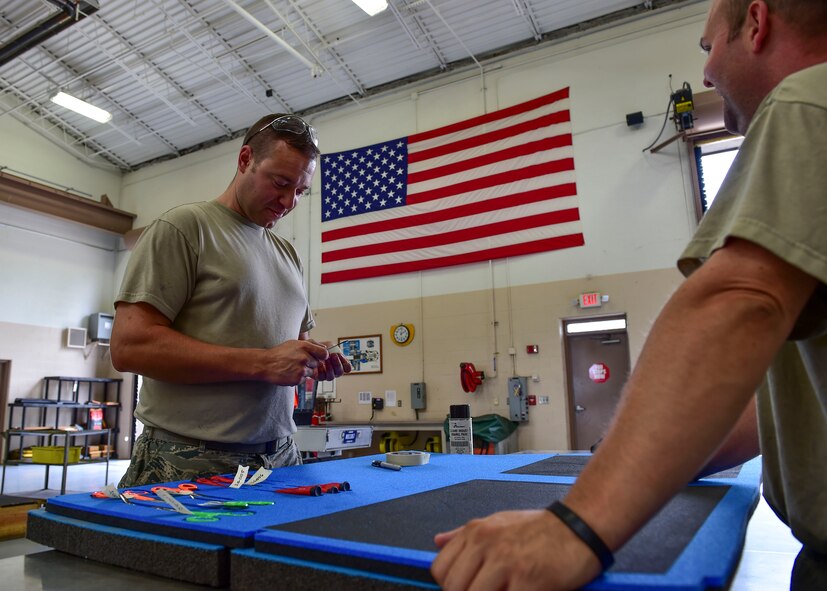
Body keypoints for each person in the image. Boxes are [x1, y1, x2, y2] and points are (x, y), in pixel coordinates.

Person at [431, 1, 827, 589]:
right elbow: (760, 402)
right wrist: (635, 461)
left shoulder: (808, 98)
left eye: (707, 48)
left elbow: (737, 301)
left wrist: (575, 525)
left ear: (757, 23)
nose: (709, 74)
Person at [111, 114, 351, 488]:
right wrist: (263, 363)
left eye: (301, 191)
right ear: (244, 161)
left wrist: (312, 358)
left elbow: (290, 344)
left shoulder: (287, 253)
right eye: (280, 182)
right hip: (190, 458)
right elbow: (129, 347)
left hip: (281, 455)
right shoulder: (185, 228)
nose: (288, 202)